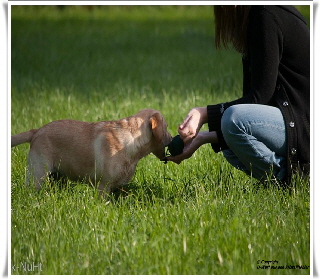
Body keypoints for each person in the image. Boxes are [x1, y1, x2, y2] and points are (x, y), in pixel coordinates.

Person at [167, 5, 310, 184]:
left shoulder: (266, 15)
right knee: (228, 143)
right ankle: (286, 180)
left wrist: (204, 114)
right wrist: (202, 138)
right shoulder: (255, 17)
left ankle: (295, 179)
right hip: (295, 125)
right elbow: (255, 106)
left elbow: (260, 97)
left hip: (306, 131)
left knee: (232, 119)